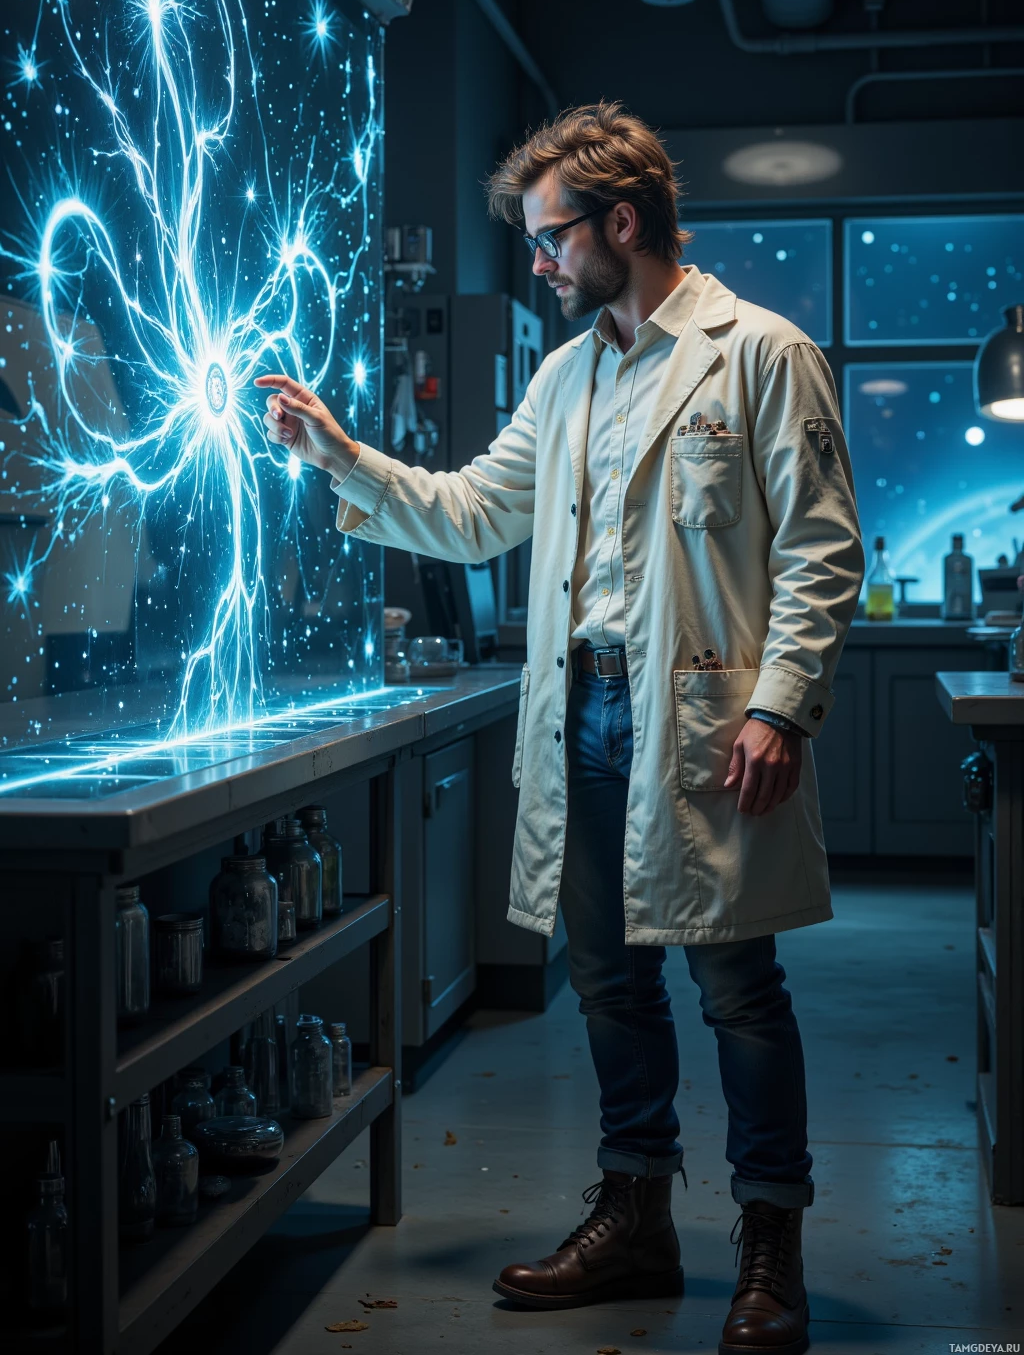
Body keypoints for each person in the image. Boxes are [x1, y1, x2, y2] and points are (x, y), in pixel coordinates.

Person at [256, 101, 863, 1355]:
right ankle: (635, 1213)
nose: (537, 263)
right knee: (606, 979)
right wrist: (339, 457)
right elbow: (478, 513)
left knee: (738, 986)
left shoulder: (760, 352)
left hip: (700, 721)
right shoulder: (568, 370)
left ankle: (770, 1242)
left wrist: (780, 707)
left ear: (618, 223)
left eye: (548, 238)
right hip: (583, 712)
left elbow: (820, 548)